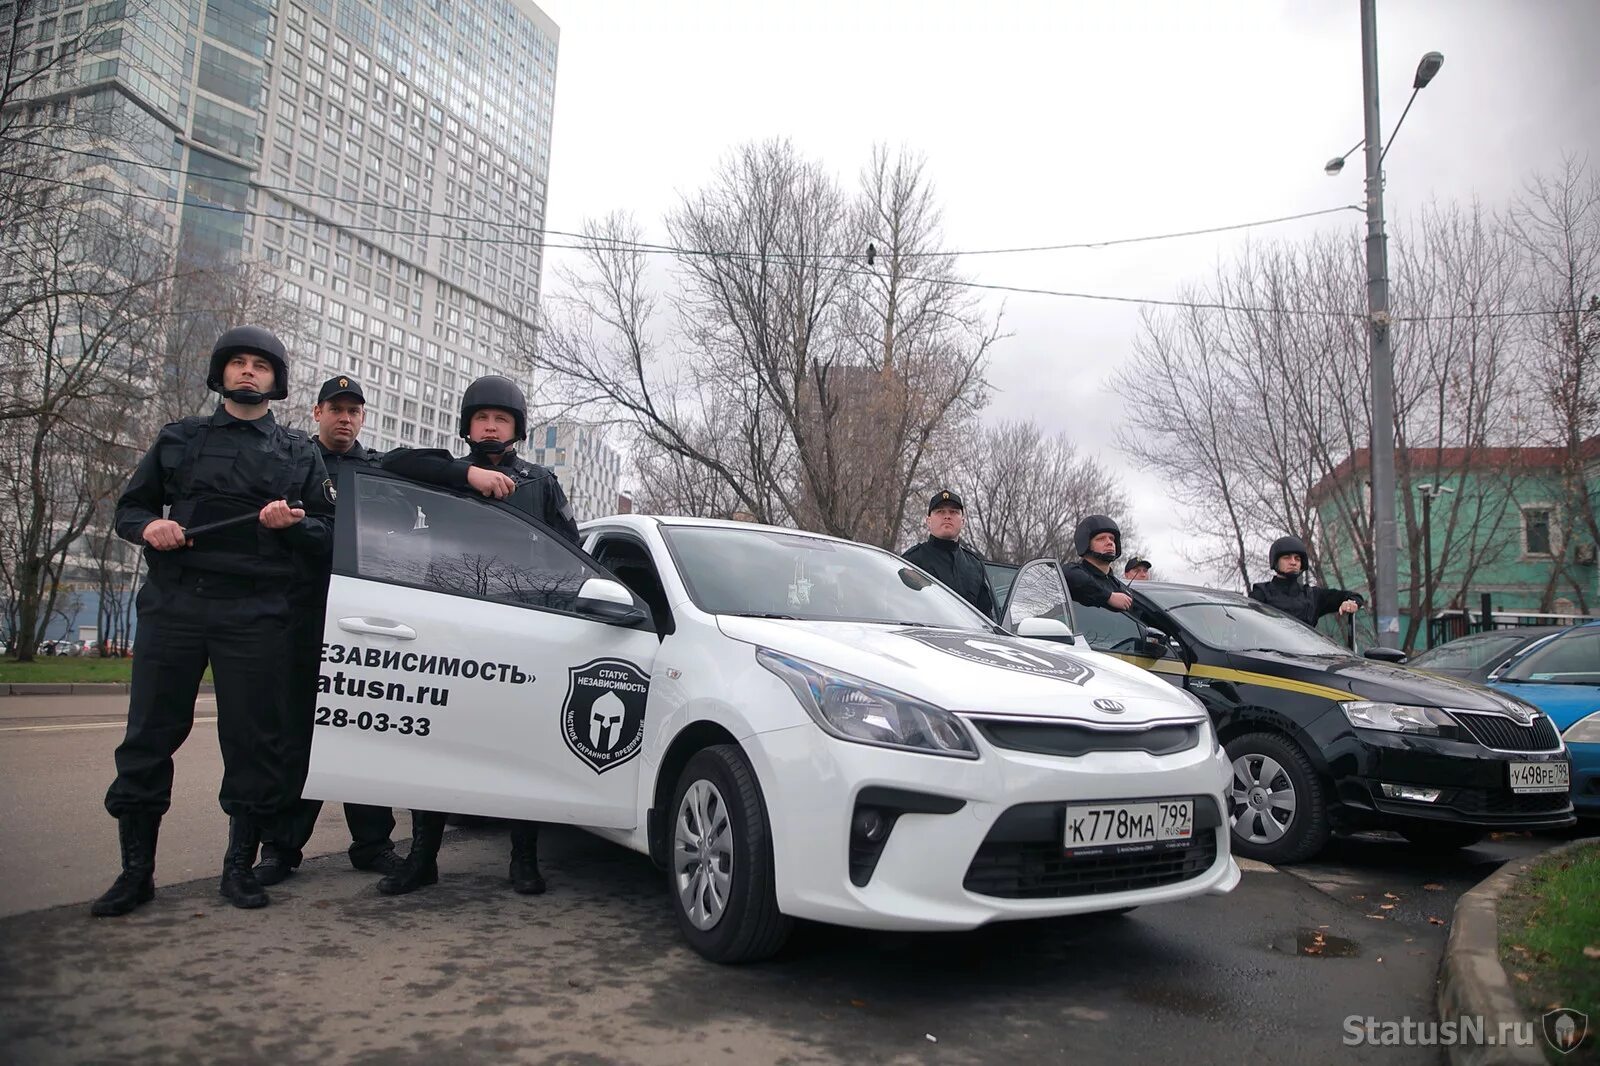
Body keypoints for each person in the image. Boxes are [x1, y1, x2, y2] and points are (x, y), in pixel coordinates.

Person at [93, 327, 333, 915]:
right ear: (221, 374)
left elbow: (328, 533)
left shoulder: (300, 451)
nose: (248, 372)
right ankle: (135, 873)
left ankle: (239, 868)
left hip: (255, 611)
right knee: (149, 736)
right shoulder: (179, 438)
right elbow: (132, 507)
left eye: (260, 366)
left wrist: (292, 525)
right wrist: (149, 528)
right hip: (175, 603)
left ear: (276, 381)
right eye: (238, 363)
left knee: (253, 741)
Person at [375, 374, 579, 897]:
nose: (491, 427)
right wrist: (466, 476)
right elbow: (390, 464)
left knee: (522, 744)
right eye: (482, 419)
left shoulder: (540, 483)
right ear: (468, 426)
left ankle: (524, 859)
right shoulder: (443, 472)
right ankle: (422, 858)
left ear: (517, 429)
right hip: (449, 622)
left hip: (522, 625)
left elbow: (573, 554)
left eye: (501, 420)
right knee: (434, 740)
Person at [254, 376, 402, 887]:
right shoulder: (293, 461)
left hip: (365, 622)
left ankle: (373, 843)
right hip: (303, 614)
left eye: (353, 411)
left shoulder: (376, 472)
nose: (344, 418)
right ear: (316, 412)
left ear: (363, 418)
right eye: (335, 409)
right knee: (298, 734)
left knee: (364, 729)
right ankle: (280, 847)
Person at [901, 489, 998, 620]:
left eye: (953, 512)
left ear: (963, 521)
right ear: (928, 521)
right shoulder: (912, 561)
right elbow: (899, 608)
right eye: (940, 511)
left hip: (968, 638)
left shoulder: (974, 565)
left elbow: (986, 618)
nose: (947, 516)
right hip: (925, 637)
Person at [1248, 535, 1364, 628]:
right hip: (1270, 655)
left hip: (1306, 655)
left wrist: (1351, 603)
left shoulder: (1312, 596)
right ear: (1276, 561)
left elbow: (1354, 596)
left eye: (1297, 558)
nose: (1293, 562)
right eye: (1287, 557)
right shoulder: (1261, 593)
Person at [1064, 514, 1134, 612]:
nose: (1109, 542)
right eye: (1101, 539)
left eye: (1112, 539)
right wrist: (1108, 597)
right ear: (1086, 544)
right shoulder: (1073, 574)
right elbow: (1070, 575)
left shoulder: (1121, 588)